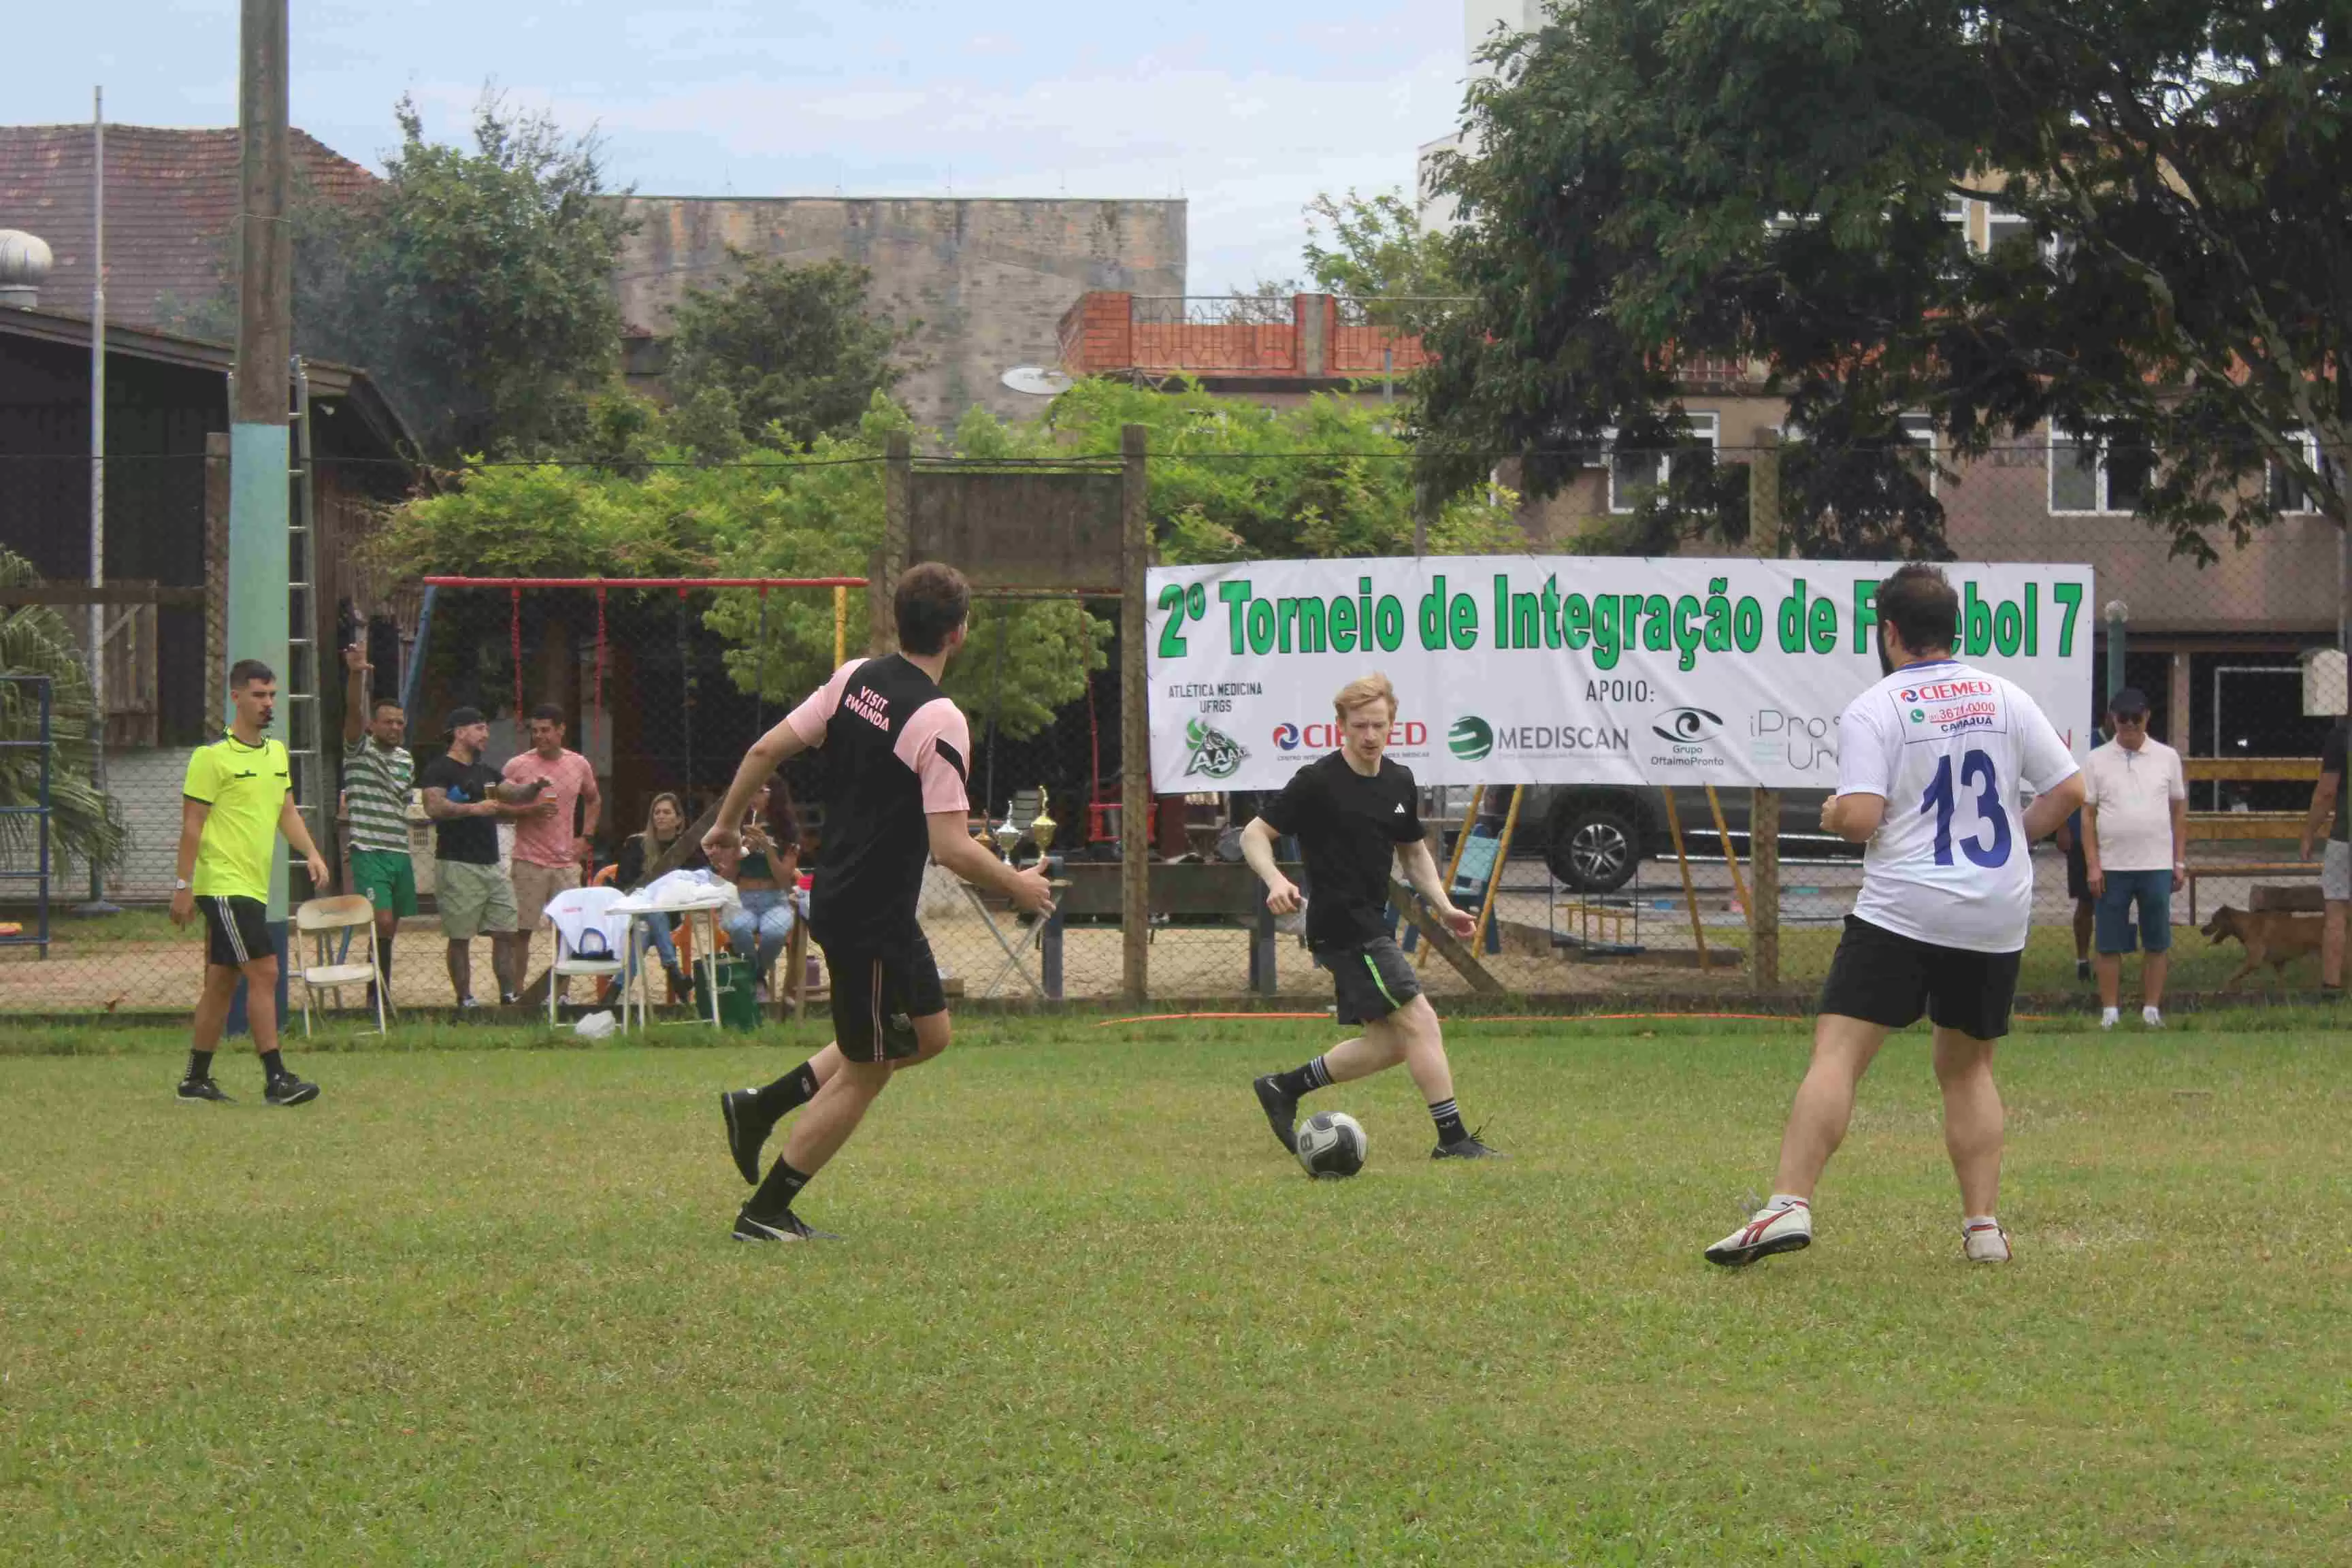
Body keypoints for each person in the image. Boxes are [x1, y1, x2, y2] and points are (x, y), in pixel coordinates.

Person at [1705, 564, 2083, 1268]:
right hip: (1993, 911)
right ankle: (1983, 1229)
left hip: (1905, 907)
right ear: (1954, 630)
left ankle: (1788, 1203)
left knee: (1839, 1055)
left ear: (1890, 633)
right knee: (1967, 1069)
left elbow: (1863, 818)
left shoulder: (1875, 707)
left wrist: (1832, 811)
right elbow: (2070, 789)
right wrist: (2010, 842)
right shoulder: (2005, 697)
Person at [708, 562, 1056, 1242]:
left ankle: (762, 1106)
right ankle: (766, 1212)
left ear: (900, 620)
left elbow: (763, 748)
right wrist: (1020, 885)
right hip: (868, 913)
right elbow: (952, 847)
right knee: (869, 1068)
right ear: (958, 633)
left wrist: (723, 825)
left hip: (857, 900)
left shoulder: (853, 678)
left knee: (928, 1036)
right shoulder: (939, 718)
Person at [1242, 672, 1501, 1161]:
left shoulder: (1399, 781)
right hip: (1342, 926)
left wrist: (1443, 905)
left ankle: (1283, 1087)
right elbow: (1254, 835)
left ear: (1392, 725)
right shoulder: (1317, 781)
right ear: (1340, 725)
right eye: (1359, 725)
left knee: (1392, 1042)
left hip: (1372, 923)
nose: (1369, 736)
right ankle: (1453, 1140)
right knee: (1421, 1020)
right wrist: (1276, 880)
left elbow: (1413, 853)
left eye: (1378, 725)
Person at [170, 659, 330, 1105]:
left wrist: (312, 853)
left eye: (272, 695)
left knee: (223, 981)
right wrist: (184, 886)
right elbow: (192, 826)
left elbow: (286, 812)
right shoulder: (210, 758)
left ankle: (195, 1080)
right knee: (266, 971)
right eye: (259, 695)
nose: (267, 704)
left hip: (253, 887)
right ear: (236, 696)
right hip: (222, 884)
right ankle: (277, 1079)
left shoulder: (276, 754)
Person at [419, 707, 552, 1007]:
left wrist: (535, 787)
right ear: (460, 732)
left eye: (486, 729)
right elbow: (433, 807)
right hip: (457, 864)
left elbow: (514, 795)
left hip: (492, 865)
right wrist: (473, 809)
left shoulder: (486, 772)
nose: (486, 735)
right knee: (461, 937)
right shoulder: (439, 769)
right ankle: (465, 999)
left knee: (505, 931)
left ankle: (508, 996)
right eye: (480, 728)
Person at [2080, 689, 2187, 1028]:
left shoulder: (2168, 757)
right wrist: (2093, 864)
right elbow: (2087, 816)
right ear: (2112, 719)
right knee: (2109, 940)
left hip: (2156, 863)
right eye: (2121, 719)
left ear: (2147, 717)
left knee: (2157, 938)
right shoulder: (2095, 759)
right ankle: (2110, 1011)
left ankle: (2151, 1010)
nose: (2128, 725)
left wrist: (2178, 861)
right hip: (2112, 866)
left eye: (2135, 719)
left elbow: (2179, 810)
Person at [501, 703, 601, 1004]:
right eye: (535, 731)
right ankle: (519, 993)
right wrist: (528, 809)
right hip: (528, 858)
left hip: (566, 861)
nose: (540, 736)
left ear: (561, 730)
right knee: (522, 930)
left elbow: (594, 800)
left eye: (546, 730)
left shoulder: (579, 764)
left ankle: (561, 994)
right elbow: (496, 803)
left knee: (567, 929)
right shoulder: (517, 766)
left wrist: (586, 838)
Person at [340, 642, 414, 1008]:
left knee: (392, 928)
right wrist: (357, 674)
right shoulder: (359, 748)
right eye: (388, 722)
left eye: (400, 722)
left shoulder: (405, 759)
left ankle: (378, 992)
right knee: (381, 921)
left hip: (399, 849)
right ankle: (377, 997)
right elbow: (352, 713)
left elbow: (401, 802)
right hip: (369, 849)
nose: (395, 728)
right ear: (373, 725)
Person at [719, 781, 803, 998]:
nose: (753, 797)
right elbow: (727, 874)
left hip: (775, 898)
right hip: (742, 899)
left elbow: (785, 879)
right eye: (750, 791)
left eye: (760, 792)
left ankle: (756, 976)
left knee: (774, 932)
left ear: (774, 795)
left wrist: (767, 849)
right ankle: (757, 980)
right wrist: (741, 850)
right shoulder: (736, 827)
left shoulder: (788, 831)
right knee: (738, 927)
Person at [615, 790, 699, 998]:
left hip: (671, 914)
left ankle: (614, 992)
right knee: (648, 916)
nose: (660, 816)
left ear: (679, 819)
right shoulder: (636, 844)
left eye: (667, 812)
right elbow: (622, 884)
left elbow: (699, 878)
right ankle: (673, 971)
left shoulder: (686, 847)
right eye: (657, 812)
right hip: (635, 912)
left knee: (648, 926)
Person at [2298, 708, 2351, 992]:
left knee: (2337, 909)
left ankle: (2331, 986)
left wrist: (2309, 832)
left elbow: (2327, 791)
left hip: (2346, 834)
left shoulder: (2341, 735)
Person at [2055, 808, 2094, 982]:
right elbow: (2063, 786)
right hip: (2080, 836)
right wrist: (2062, 827)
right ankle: (2083, 962)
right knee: (2085, 903)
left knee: (2114, 905)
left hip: (2113, 837)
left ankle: (2108, 959)